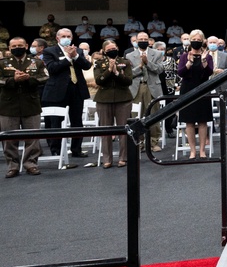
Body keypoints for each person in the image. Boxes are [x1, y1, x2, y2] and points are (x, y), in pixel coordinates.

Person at [1, 37, 50, 177]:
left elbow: (45, 78)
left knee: (33, 138)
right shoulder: (3, 63)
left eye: (20, 45)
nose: (17, 47)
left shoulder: (37, 62)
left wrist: (29, 78)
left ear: (26, 46)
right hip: (8, 106)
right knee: (9, 139)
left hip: (31, 104)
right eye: (14, 46)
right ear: (9, 48)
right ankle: (13, 167)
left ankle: (31, 164)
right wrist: (12, 80)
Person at [41, 28, 92, 159]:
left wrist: (75, 55)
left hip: (76, 89)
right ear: (58, 38)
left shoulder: (79, 51)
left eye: (68, 36)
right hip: (57, 90)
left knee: (77, 121)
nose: (66, 38)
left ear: (72, 37)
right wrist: (68, 58)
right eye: (63, 36)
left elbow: (86, 66)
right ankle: (56, 149)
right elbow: (52, 68)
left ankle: (76, 149)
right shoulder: (49, 51)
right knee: (56, 121)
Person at [93, 39, 134, 168]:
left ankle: (123, 157)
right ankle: (107, 159)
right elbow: (99, 80)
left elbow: (128, 81)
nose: (112, 51)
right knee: (106, 131)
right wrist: (109, 71)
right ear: (104, 51)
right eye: (109, 50)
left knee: (124, 129)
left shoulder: (125, 62)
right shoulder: (99, 63)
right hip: (104, 100)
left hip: (123, 99)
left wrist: (116, 72)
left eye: (113, 48)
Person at [176, 30, 213, 158]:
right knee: (189, 122)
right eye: (194, 40)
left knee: (203, 121)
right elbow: (180, 73)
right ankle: (192, 150)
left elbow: (209, 73)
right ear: (190, 41)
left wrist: (204, 62)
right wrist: (189, 63)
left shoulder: (207, 56)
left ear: (202, 41)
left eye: (198, 40)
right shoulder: (184, 56)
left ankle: (202, 150)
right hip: (187, 90)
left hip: (203, 89)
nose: (196, 42)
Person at [126, 32, 164, 152]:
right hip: (136, 87)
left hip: (152, 87)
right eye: (140, 39)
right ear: (136, 41)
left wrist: (148, 63)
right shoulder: (129, 55)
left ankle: (154, 142)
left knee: (154, 114)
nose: (143, 40)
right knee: (136, 116)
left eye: (145, 39)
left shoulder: (157, 53)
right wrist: (141, 66)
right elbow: (129, 74)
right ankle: (140, 141)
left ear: (149, 41)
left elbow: (159, 69)